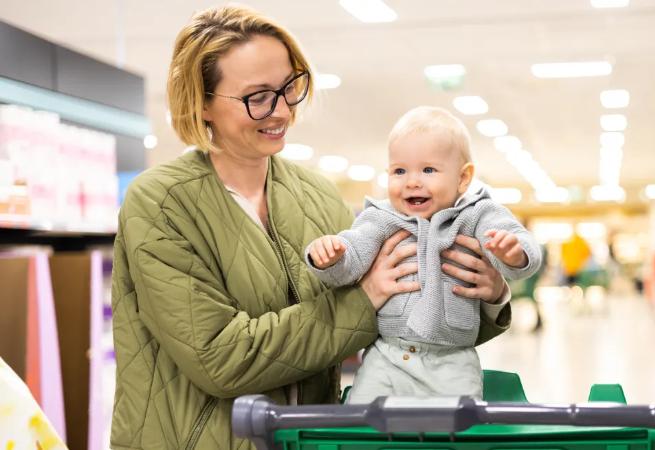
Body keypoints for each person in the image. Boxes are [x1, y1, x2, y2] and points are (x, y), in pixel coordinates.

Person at [110, 6, 512, 449]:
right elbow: (220, 358)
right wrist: (364, 300)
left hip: (307, 440)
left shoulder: (317, 196)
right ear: (202, 102)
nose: (281, 109)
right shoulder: (162, 203)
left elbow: (411, 322)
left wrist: (486, 294)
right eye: (257, 96)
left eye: (288, 87)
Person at [305, 107, 542, 403]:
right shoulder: (381, 218)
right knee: (364, 426)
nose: (412, 182)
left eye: (428, 170)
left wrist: (513, 254)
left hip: (453, 362)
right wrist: (331, 257)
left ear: (463, 178)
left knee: (454, 432)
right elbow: (352, 256)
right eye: (399, 171)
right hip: (388, 356)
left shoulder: (477, 215)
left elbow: (524, 247)